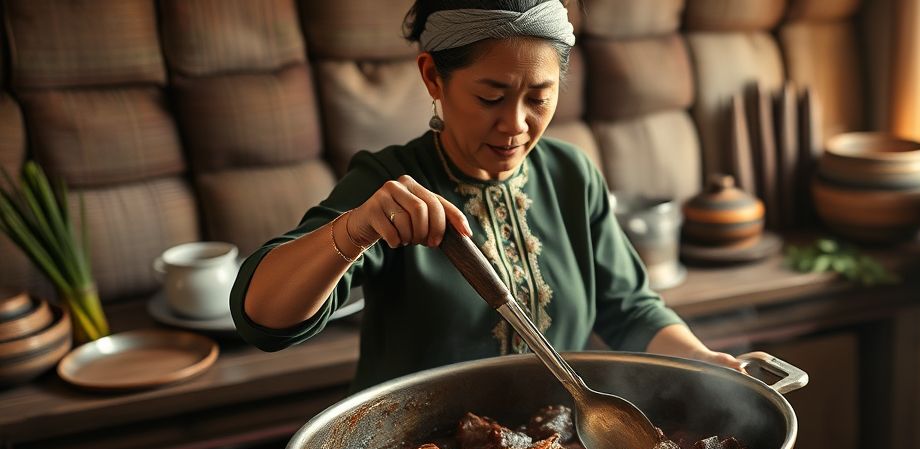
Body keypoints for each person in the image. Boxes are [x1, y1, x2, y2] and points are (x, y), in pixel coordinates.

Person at [231, 0, 739, 391]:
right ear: (433, 76)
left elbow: (629, 309)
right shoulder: (388, 185)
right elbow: (264, 319)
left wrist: (704, 360)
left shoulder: (570, 174)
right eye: (490, 97)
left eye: (539, 97)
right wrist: (354, 228)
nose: (515, 125)